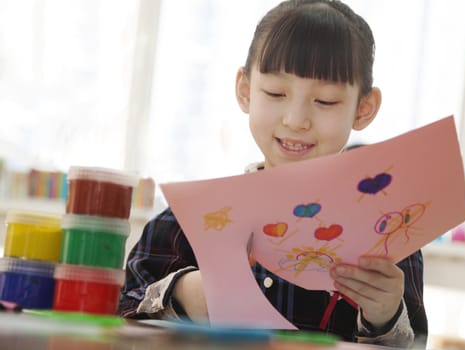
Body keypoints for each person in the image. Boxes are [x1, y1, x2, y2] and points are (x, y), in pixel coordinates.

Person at [119, 0, 428, 347]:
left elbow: (413, 343)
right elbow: (121, 318)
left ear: (364, 108)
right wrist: (185, 294)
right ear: (245, 90)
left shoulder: (388, 236)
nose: (296, 120)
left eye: (325, 101)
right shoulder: (183, 222)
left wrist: (384, 315)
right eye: (276, 93)